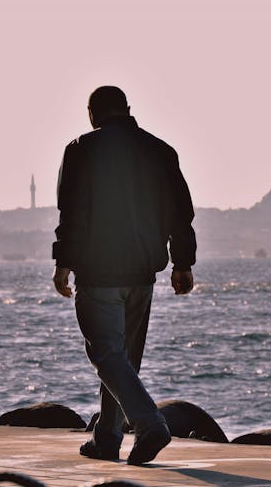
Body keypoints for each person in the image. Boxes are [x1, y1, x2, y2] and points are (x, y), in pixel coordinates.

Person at [52, 85, 196, 465]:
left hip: (98, 271)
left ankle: (150, 424)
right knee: (123, 361)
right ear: (128, 110)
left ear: (91, 114)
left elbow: (72, 212)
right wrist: (183, 262)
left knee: (105, 354)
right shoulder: (160, 150)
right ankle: (107, 439)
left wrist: (63, 262)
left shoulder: (81, 148)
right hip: (143, 272)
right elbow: (180, 211)